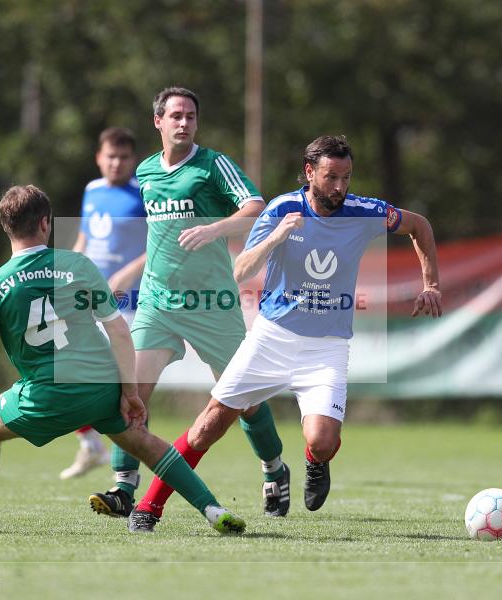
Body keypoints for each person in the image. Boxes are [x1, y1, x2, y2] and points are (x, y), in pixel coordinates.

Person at [0, 184, 245, 535]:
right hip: (100, 390)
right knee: (146, 444)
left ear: (5, 227)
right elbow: (120, 333)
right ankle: (212, 508)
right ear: (46, 223)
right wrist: (129, 393)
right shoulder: (78, 265)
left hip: (46, 396)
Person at [129, 135, 442, 524]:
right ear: (310, 172)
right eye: (331, 177)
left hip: (326, 346)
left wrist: (430, 285)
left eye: (346, 177)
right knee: (207, 426)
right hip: (271, 338)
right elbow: (239, 269)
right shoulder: (282, 209)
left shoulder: (364, 211)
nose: (340, 187)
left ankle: (315, 461)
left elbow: (420, 226)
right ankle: (148, 506)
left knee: (322, 441)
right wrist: (276, 237)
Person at [87, 87, 289, 531]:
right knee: (130, 393)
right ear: (157, 121)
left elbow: (255, 209)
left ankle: (274, 469)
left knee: (244, 400)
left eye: (191, 116)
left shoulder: (213, 164)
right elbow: (158, 233)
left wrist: (214, 228)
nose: (184, 122)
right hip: (158, 301)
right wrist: (129, 274)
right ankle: (124, 488)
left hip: (211, 302)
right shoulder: (145, 172)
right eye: (176, 115)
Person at [59, 127, 147, 480]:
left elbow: (158, 245)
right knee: (66, 368)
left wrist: (126, 275)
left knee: (124, 383)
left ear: (133, 160)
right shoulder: (92, 191)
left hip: (130, 301)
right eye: (110, 156)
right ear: (99, 157)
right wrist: (68, 272)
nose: (116, 163)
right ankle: (91, 444)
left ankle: (125, 471)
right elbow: (85, 236)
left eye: (124, 157)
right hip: (89, 298)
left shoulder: (143, 193)